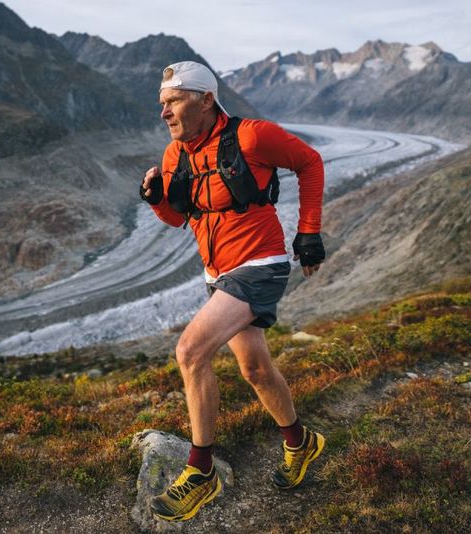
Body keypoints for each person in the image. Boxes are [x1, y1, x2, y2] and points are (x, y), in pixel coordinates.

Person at [140, 61, 327, 522]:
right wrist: (155, 198)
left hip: (259, 264)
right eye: (162, 103)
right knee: (256, 369)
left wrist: (309, 232)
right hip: (217, 272)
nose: (164, 112)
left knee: (190, 352)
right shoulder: (173, 155)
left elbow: (310, 162)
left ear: (206, 99)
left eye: (174, 100)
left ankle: (201, 472)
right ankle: (301, 442)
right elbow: (179, 217)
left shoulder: (251, 136)